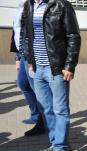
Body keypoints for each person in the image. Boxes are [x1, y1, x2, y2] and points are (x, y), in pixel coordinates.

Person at [22, 0, 81, 151]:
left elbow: (73, 36)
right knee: (46, 108)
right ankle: (55, 143)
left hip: (56, 67)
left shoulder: (61, 5)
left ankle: (62, 148)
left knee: (60, 109)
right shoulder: (30, 4)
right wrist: (30, 60)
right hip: (38, 68)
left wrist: (70, 65)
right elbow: (28, 34)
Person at [11, 0, 46, 136]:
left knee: (38, 89)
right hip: (24, 54)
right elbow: (17, 32)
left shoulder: (34, 6)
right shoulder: (22, 6)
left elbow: (31, 33)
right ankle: (37, 114)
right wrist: (18, 57)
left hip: (32, 55)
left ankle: (42, 122)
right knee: (23, 84)